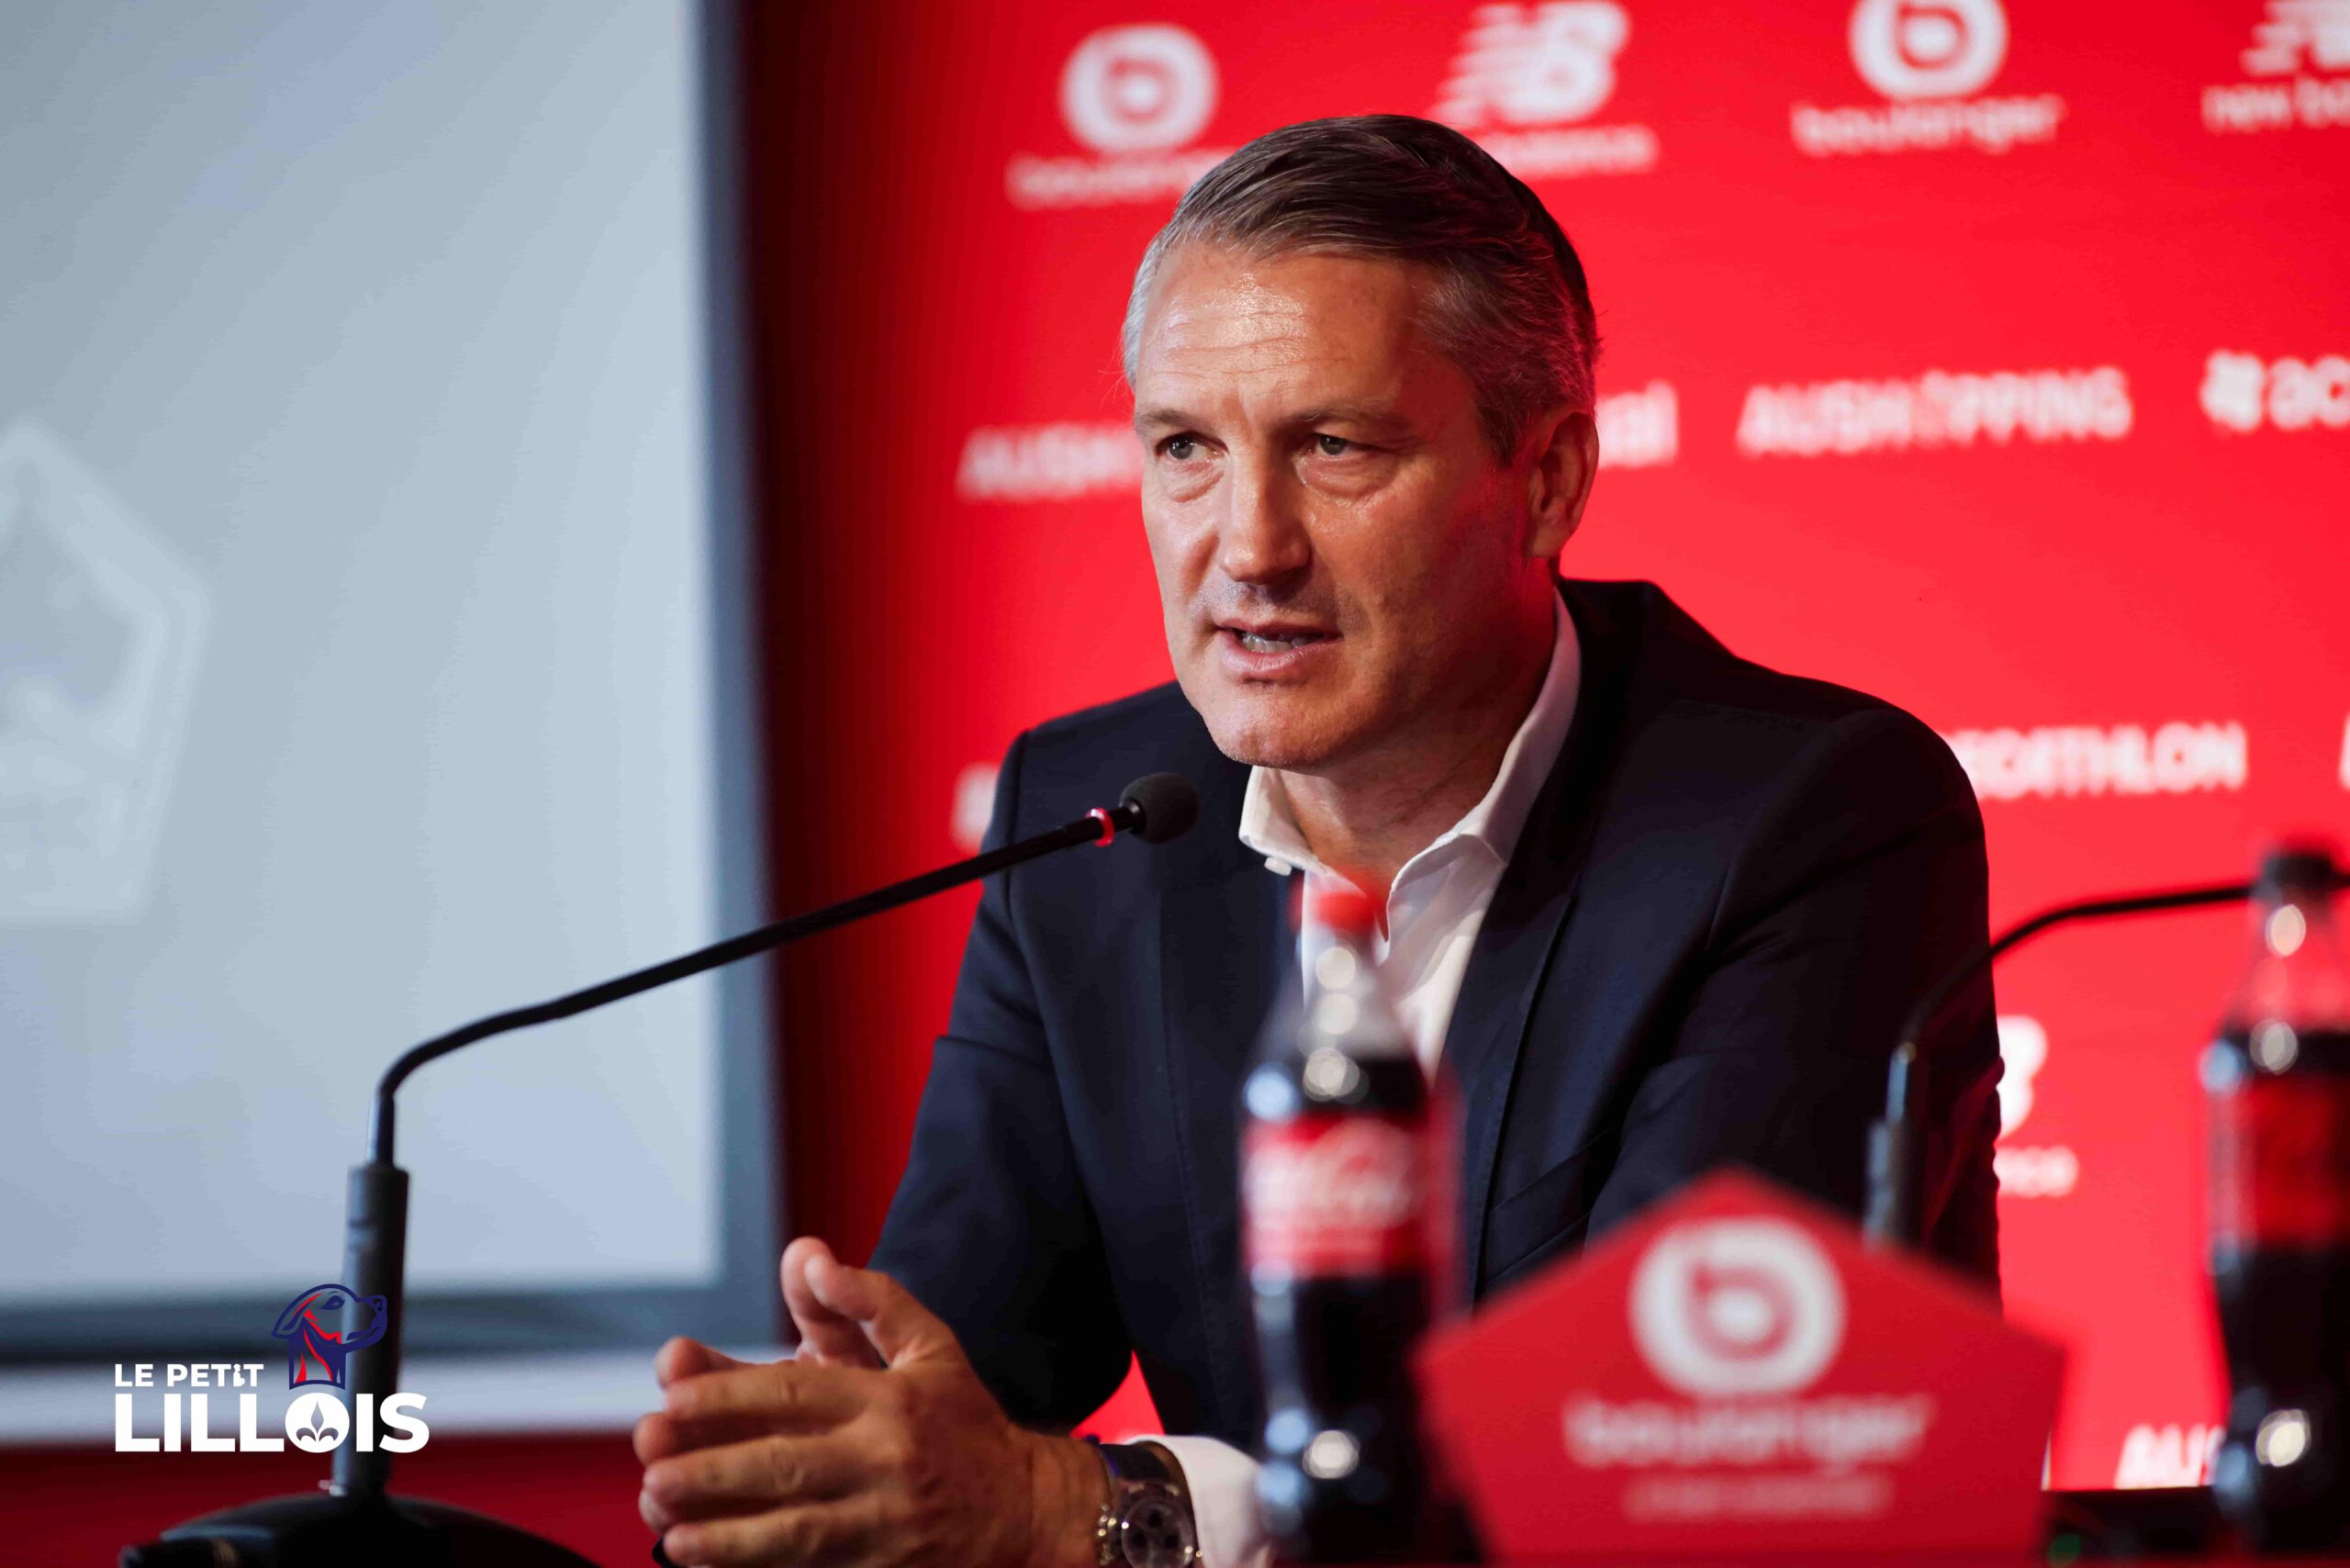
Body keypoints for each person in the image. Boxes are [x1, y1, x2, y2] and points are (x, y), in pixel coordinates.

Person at [633, 113, 2002, 1568]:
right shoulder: (1093, 818)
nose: (1248, 545)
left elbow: (1664, 1459)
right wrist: (825, 1473)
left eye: (1334, 448)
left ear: (1545, 482)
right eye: (1186, 450)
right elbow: (961, 1370)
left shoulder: (1815, 817)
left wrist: (1101, 1517)